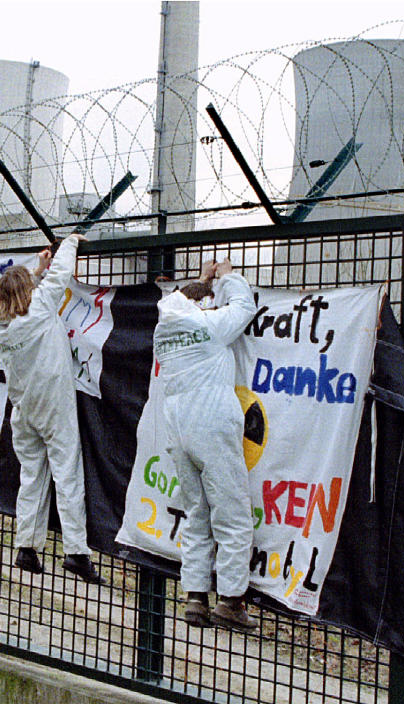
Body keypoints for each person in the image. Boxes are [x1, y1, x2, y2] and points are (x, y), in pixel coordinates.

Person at [0, 233, 103, 585]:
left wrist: (34, 270)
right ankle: (76, 552)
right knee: (66, 474)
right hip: (54, 403)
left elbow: (23, 293)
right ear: (29, 291)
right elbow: (61, 275)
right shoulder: (40, 308)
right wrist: (69, 242)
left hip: (23, 409)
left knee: (32, 478)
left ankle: (27, 546)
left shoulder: (1, 327)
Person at [153, 258, 259, 631]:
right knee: (231, 513)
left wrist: (200, 283)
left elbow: (183, 301)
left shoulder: (163, 331)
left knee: (196, 514)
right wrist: (229, 277)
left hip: (177, 428)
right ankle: (231, 601)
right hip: (212, 422)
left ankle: (195, 596)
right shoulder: (208, 326)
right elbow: (244, 308)